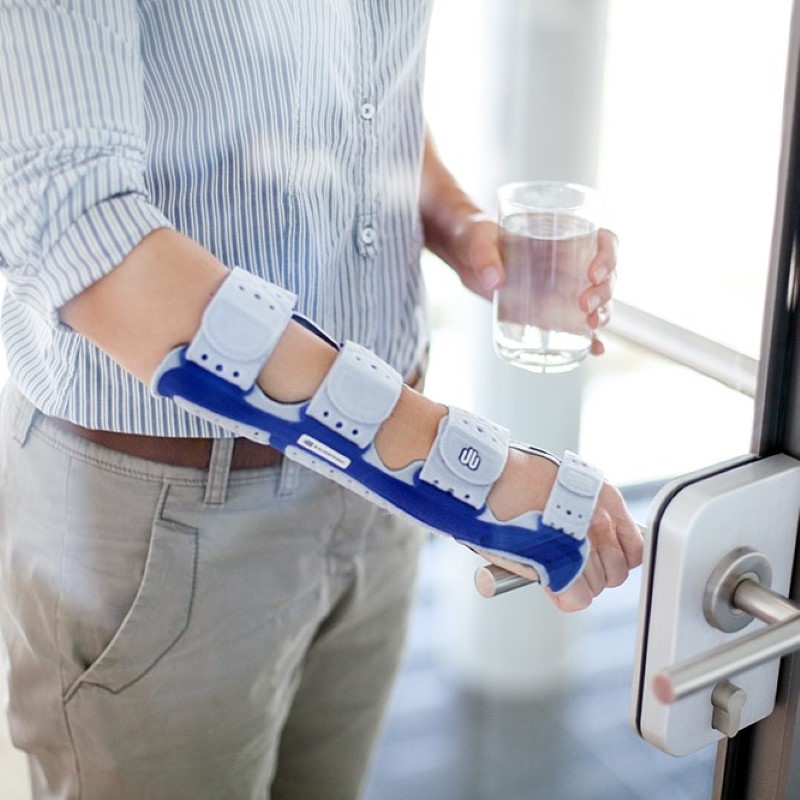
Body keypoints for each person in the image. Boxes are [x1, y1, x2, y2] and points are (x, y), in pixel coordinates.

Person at [0, 3, 642, 798]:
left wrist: (462, 226)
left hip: (371, 492)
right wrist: (460, 472)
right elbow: (80, 230)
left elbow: (365, 102)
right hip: (170, 515)